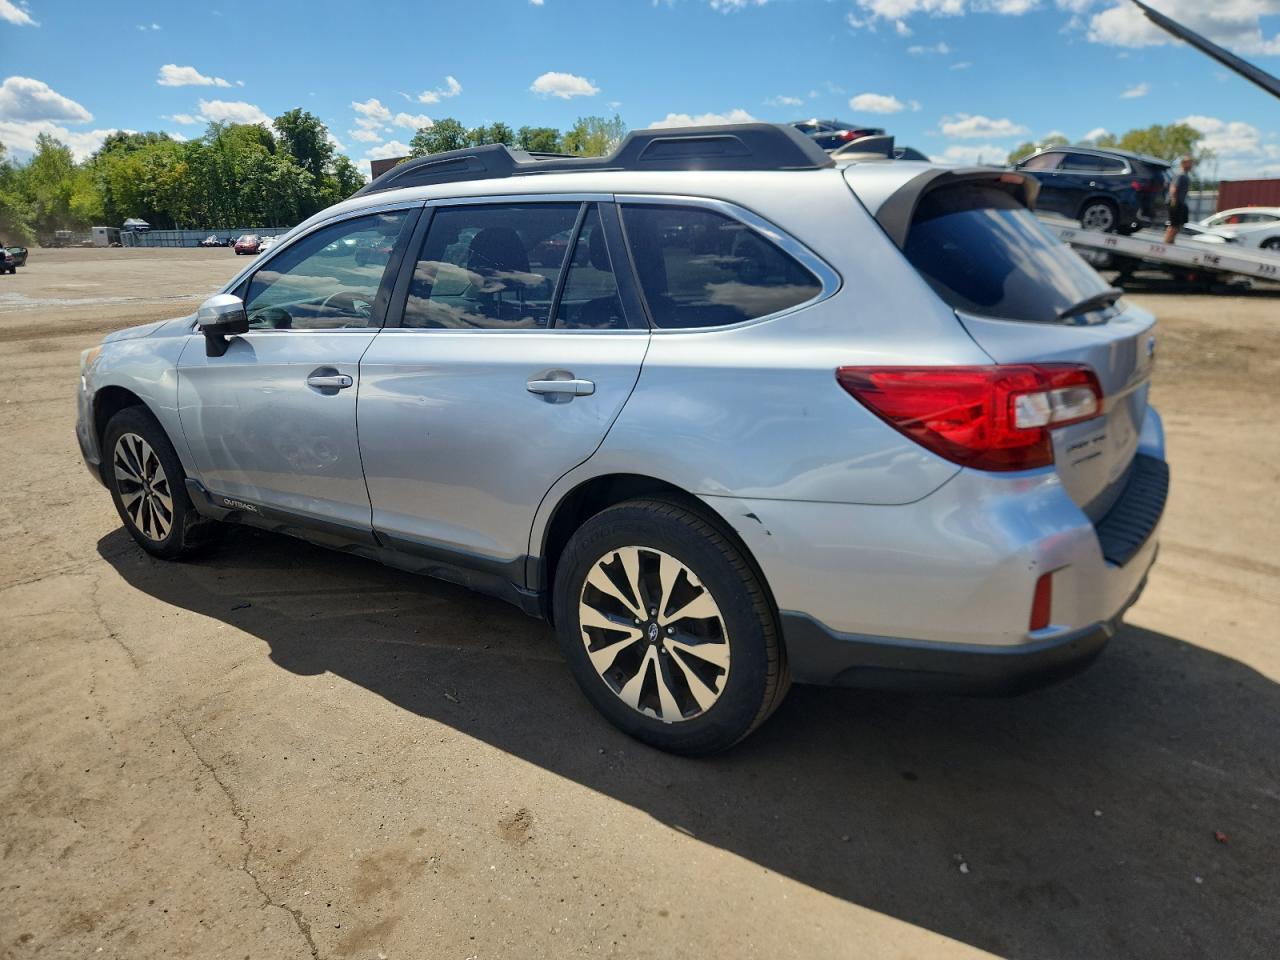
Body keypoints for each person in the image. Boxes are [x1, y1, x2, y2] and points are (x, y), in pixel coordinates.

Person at [1164, 155, 1194, 244]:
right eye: (1190, 163)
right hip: (1175, 202)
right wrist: (1174, 201)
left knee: (1179, 224)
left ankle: (1171, 241)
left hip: (1181, 203)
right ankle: (1167, 243)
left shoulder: (1186, 176)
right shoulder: (1180, 175)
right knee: (1174, 224)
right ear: (1184, 164)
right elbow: (1173, 188)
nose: (1192, 165)